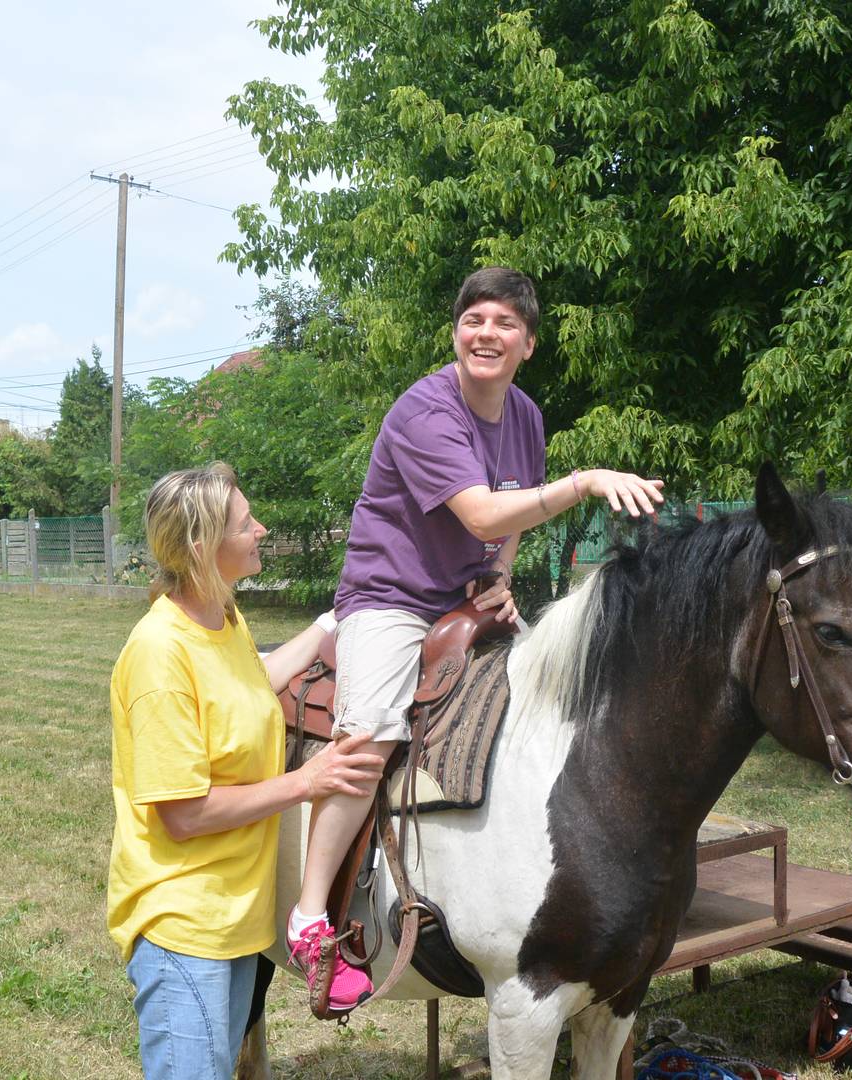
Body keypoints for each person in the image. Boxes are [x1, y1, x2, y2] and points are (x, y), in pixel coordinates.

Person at [285, 267, 668, 1010]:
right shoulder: (426, 410)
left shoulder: (524, 414)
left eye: (504, 323)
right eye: (474, 320)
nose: (486, 334)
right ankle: (309, 917)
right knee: (370, 736)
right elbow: (485, 511)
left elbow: (509, 519)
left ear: (528, 343)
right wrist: (585, 481)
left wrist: (497, 578)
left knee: (562, 703)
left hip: (464, 596)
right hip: (392, 598)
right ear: (457, 332)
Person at [107, 463, 387, 1080]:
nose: (260, 529)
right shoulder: (159, 654)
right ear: (202, 546)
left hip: (236, 919)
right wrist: (307, 782)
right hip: (186, 925)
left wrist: (331, 620)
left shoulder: (222, 619)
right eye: (244, 523)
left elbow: (254, 684)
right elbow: (183, 814)